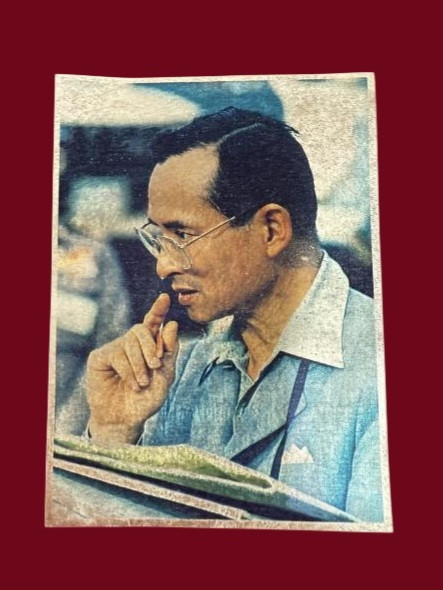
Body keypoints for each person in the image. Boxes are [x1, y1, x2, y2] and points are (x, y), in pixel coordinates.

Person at [86, 107, 383, 522]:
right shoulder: (185, 369)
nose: (163, 266)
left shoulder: (380, 371)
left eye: (183, 235)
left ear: (271, 230)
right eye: (158, 239)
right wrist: (114, 432)